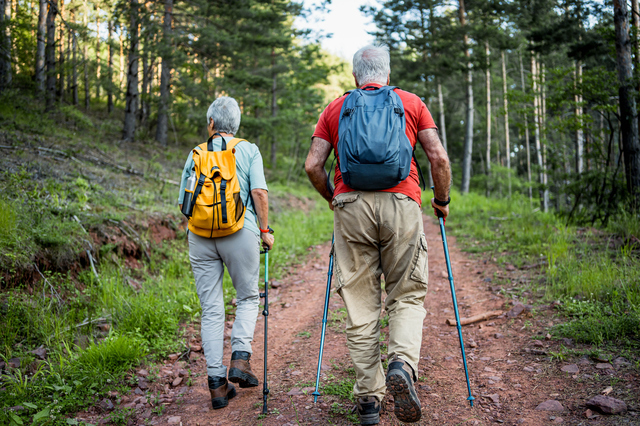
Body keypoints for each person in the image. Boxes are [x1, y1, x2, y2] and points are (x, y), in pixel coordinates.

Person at [305, 44, 451, 425]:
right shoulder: (410, 102)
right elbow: (438, 157)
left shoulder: (335, 108)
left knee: (360, 302)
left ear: (355, 77)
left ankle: (369, 399)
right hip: (402, 203)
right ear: (388, 75)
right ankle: (401, 363)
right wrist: (442, 200)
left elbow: (313, 165)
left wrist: (333, 198)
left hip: (351, 205)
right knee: (406, 293)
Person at [178, 96, 274, 410]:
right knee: (247, 297)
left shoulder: (196, 154)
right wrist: (264, 230)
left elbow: (184, 202)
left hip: (200, 236)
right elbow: (259, 191)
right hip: (239, 232)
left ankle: (217, 385)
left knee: (211, 309)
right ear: (236, 124)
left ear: (211, 124)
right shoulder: (248, 149)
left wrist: (198, 230)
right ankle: (240, 359)